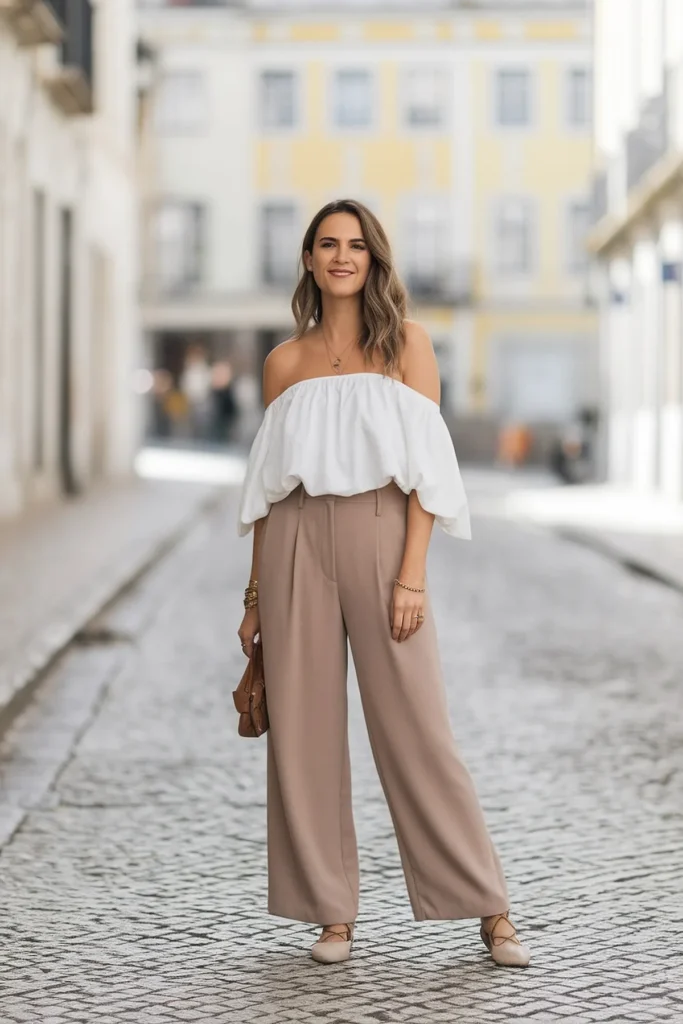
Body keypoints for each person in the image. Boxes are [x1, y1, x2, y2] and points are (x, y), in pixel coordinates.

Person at [236, 199, 531, 968]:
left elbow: (429, 476)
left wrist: (411, 577)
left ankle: (489, 906)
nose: (341, 257)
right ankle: (330, 914)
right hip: (294, 540)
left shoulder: (407, 345)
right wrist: (253, 599)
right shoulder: (284, 362)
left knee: (417, 728)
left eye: (355, 246)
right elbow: (267, 488)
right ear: (307, 260)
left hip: (382, 533)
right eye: (327, 245)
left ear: (374, 260)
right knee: (301, 732)